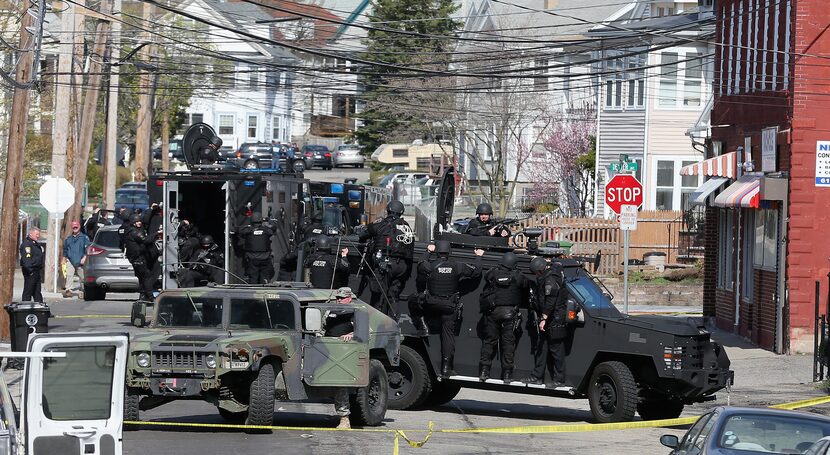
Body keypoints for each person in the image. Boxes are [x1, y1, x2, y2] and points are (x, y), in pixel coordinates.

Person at [416, 240, 484, 378]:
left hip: (431, 305)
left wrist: (428, 251)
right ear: (449, 252)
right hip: (448, 307)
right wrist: (478, 256)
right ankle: (446, 368)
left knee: (415, 301)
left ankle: (422, 326)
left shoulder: (430, 265)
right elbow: (476, 272)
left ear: (437, 251)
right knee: (448, 337)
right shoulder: (456, 266)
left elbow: (420, 263)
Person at [478, 251, 530, 383]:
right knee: (508, 344)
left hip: (493, 312)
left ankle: (484, 371)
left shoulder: (494, 273)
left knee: (489, 342)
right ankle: (507, 374)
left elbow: (487, 276)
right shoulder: (518, 276)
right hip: (510, 314)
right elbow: (526, 285)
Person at [355, 200, 414, 315]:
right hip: (403, 267)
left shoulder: (383, 223)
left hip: (385, 265)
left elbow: (363, 234)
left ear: (388, 210)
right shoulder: (406, 226)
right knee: (393, 296)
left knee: (378, 296)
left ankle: (376, 326)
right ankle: (393, 324)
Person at [523, 257, 567, 386]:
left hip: (554, 318)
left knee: (556, 350)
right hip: (550, 318)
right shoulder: (550, 273)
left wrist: (544, 319)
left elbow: (550, 302)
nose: (536, 275)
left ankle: (559, 380)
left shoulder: (550, 280)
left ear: (540, 271)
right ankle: (537, 376)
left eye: (536, 272)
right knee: (542, 347)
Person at [325, 287, 357, 429]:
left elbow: (367, 331)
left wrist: (352, 335)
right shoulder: (329, 311)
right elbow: (321, 327)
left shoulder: (356, 312)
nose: (339, 300)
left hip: (344, 352)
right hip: (325, 349)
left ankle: (344, 419)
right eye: (337, 298)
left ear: (349, 298)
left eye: (342, 298)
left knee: (340, 384)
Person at [124, 214, 156, 300]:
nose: (139, 223)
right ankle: (150, 297)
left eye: (139, 221)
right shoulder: (135, 232)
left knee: (142, 278)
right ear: (133, 223)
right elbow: (145, 240)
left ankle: (142, 296)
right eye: (137, 221)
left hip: (135, 259)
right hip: (138, 259)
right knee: (147, 277)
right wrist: (156, 234)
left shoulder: (129, 231)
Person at [237, 217, 276, 284]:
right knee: (265, 279)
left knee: (253, 279)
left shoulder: (248, 230)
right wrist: (269, 220)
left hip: (252, 259)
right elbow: (274, 228)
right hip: (265, 259)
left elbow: (238, 230)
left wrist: (248, 227)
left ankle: (253, 290)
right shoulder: (267, 230)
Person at [62, 220, 91, 298]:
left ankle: (83, 291)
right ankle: (68, 290)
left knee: (82, 277)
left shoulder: (84, 238)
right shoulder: (68, 239)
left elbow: (88, 248)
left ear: (79, 227)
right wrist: (64, 258)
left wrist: (85, 257)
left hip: (81, 261)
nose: (75, 228)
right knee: (69, 275)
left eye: (76, 226)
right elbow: (65, 249)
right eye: (73, 226)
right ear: (72, 227)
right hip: (70, 260)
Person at [19, 227, 44, 302]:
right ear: (31, 234)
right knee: (28, 291)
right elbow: (26, 260)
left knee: (37, 292)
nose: (38, 236)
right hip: (31, 271)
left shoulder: (34, 244)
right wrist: (30, 271)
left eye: (38, 234)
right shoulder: (27, 244)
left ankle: (40, 310)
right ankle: (25, 308)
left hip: (36, 270)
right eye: (36, 234)